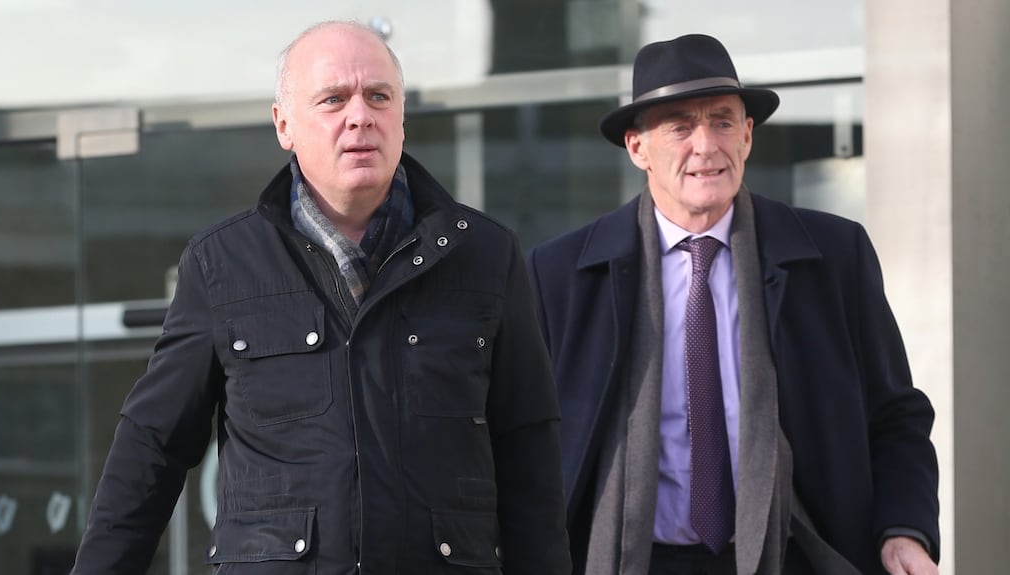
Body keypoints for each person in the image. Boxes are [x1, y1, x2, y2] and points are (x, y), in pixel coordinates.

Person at [71, 20, 571, 575]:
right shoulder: (222, 265)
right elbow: (152, 447)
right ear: (284, 124)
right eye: (333, 99)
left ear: (401, 116)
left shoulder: (484, 256)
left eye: (379, 97)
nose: (360, 116)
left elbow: (531, 458)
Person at [527, 34, 939, 575]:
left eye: (722, 121)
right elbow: (522, 441)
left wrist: (904, 531)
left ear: (747, 136)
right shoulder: (561, 275)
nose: (705, 146)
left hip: (795, 556)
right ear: (637, 148)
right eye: (679, 125)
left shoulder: (833, 257)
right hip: (632, 561)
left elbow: (896, 416)